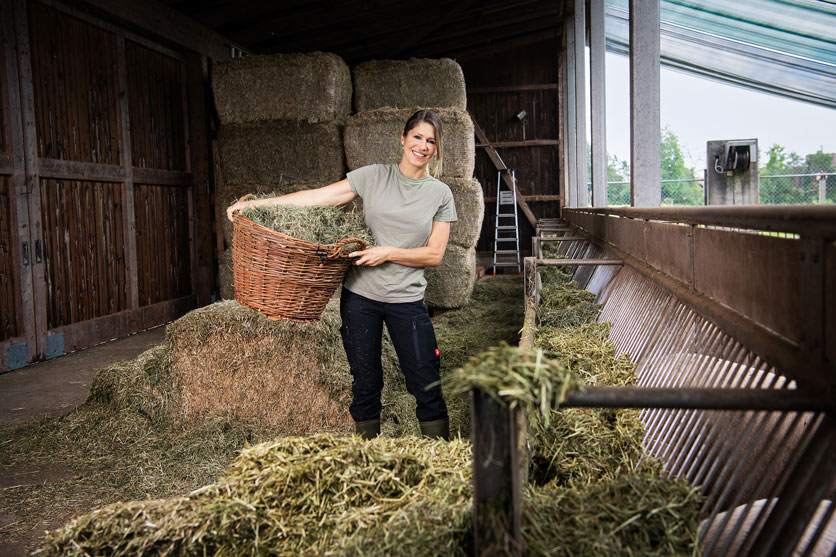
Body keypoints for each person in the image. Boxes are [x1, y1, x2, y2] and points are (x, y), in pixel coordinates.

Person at [227, 109, 456, 440]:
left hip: (406, 301)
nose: (422, 145)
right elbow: (317, 198)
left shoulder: (440, 194)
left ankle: (441, 455)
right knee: (365, 380)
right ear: (403, 138)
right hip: (361, 297)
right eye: (417, 137)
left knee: (425, 378)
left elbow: (434, 254)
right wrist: (256, 207)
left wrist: (388, 252)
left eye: (430, 141)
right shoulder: (374, 176)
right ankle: (366, 456)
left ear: (436, 148)